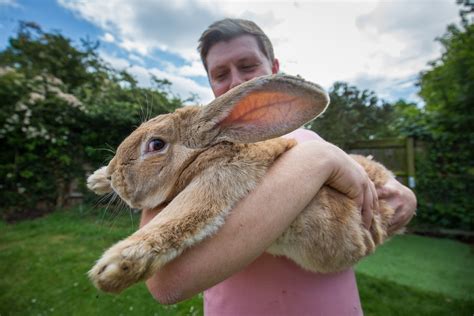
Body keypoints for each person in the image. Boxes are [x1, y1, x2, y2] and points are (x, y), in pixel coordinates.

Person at [140, 18, 417, 315]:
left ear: (274, 68)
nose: (236, 82)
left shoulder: (311, 139)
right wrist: (318, 161)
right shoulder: (188, 154)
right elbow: (164, 283)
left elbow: (368, 200)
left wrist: (406, 199)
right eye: (220, 74)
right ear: (210, 84)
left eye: (248, 66)